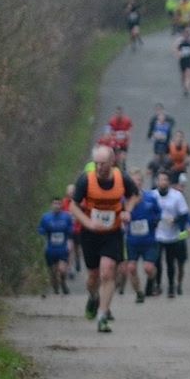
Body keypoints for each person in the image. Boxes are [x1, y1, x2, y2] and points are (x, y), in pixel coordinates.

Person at [71, 142, 133, 333]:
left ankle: (102, 315)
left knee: (108, 272)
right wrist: (88, 223)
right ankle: (93, 297)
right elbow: (73, 206)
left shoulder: (121, 178)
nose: (99, 167)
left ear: (112, 162)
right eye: (97, 163)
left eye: (103, 164)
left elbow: (135, 195)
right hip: (90, 234)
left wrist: (126, 211)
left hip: (112, 233)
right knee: (93, 277)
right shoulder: (85, 180)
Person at [121, 171, 162, 303]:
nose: (136, 183)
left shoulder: (151, 197)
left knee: (148, 268)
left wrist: (155, 221)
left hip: (149, 240)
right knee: (131, 268)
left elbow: (158, 213)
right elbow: (120, 215)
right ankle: (139, 293)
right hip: (132, 240)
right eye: (133, 180)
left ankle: (152, 280)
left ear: (142, 182)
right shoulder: (123, 200)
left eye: (138, 180)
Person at [153, 169, 190, 299]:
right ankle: (158, 285)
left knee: (171, 262)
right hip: (157, 234)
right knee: (157, 261)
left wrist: (175, 220)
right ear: (157, 181)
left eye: (165, 180)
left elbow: (184, 215)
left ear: (169, 182)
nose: (162, 182)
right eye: (160, 180)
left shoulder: (177, 196)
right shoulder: (152, 195)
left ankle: (172, 287)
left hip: (173, 235)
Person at [38, 199, 75, 295]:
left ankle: (63, 281)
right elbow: (40, 229)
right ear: (51, 205)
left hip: (62, 248)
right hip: (50, 249)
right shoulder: (46, 217)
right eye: (55, 203)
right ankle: (56, 291)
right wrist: (43, 231)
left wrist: (69, 242)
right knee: (53, 272)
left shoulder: (66, 217)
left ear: (61, 205)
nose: (57, 206)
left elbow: (71, 229)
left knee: (62, 270)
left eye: (59, 204)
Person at [146, 105, 175, 175]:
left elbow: (171, 125)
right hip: (157, 143)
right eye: (157, 110)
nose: (159, 113)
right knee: (157, 157)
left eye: (160, 110)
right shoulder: (154, 120)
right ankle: (156, 170)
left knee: (166, 157)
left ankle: (166, 170)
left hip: (166, 143)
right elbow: (151, 130)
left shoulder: (168, 120)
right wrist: (151, 136)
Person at [177, 29, 190, 99]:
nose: (186, 36)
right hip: (182, 61)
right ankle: (184, 86)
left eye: (187, 35)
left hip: (189, 61)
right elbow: (178, 51)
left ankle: (186, 89)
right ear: (183, 36)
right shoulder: (181, 43)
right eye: (185, 35)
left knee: (188, 74)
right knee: (183, 75)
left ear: (189, 36)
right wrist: (179, 55)